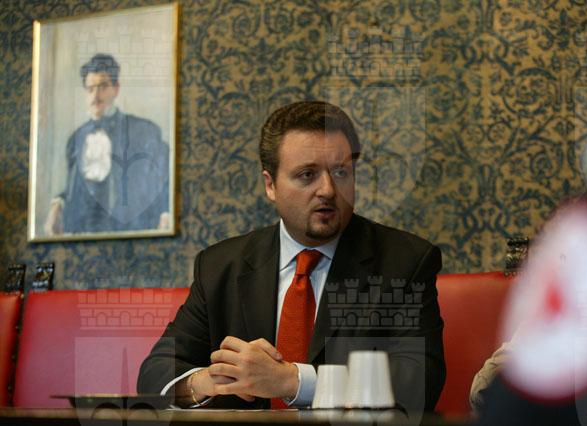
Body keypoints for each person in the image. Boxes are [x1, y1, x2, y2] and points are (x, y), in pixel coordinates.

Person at [137, 101, 445, 415]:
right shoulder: (220, 267)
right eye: (307, 175)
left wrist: (293, 381)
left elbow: (419, 381)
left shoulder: (404, 263)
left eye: (341, 172)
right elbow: (155, 372)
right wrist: (204, 382)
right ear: (270, 185)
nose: (328, 190)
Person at [44, 53, 170, 235]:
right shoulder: (75, 139)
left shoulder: (143, 131)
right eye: (90, 89)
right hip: (83, 234)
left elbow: (163, 178)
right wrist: (57, 204)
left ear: (116, 89)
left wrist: (166, 213)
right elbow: (74, 188)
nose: (95, 96)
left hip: (128, 232)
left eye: (103, 87)